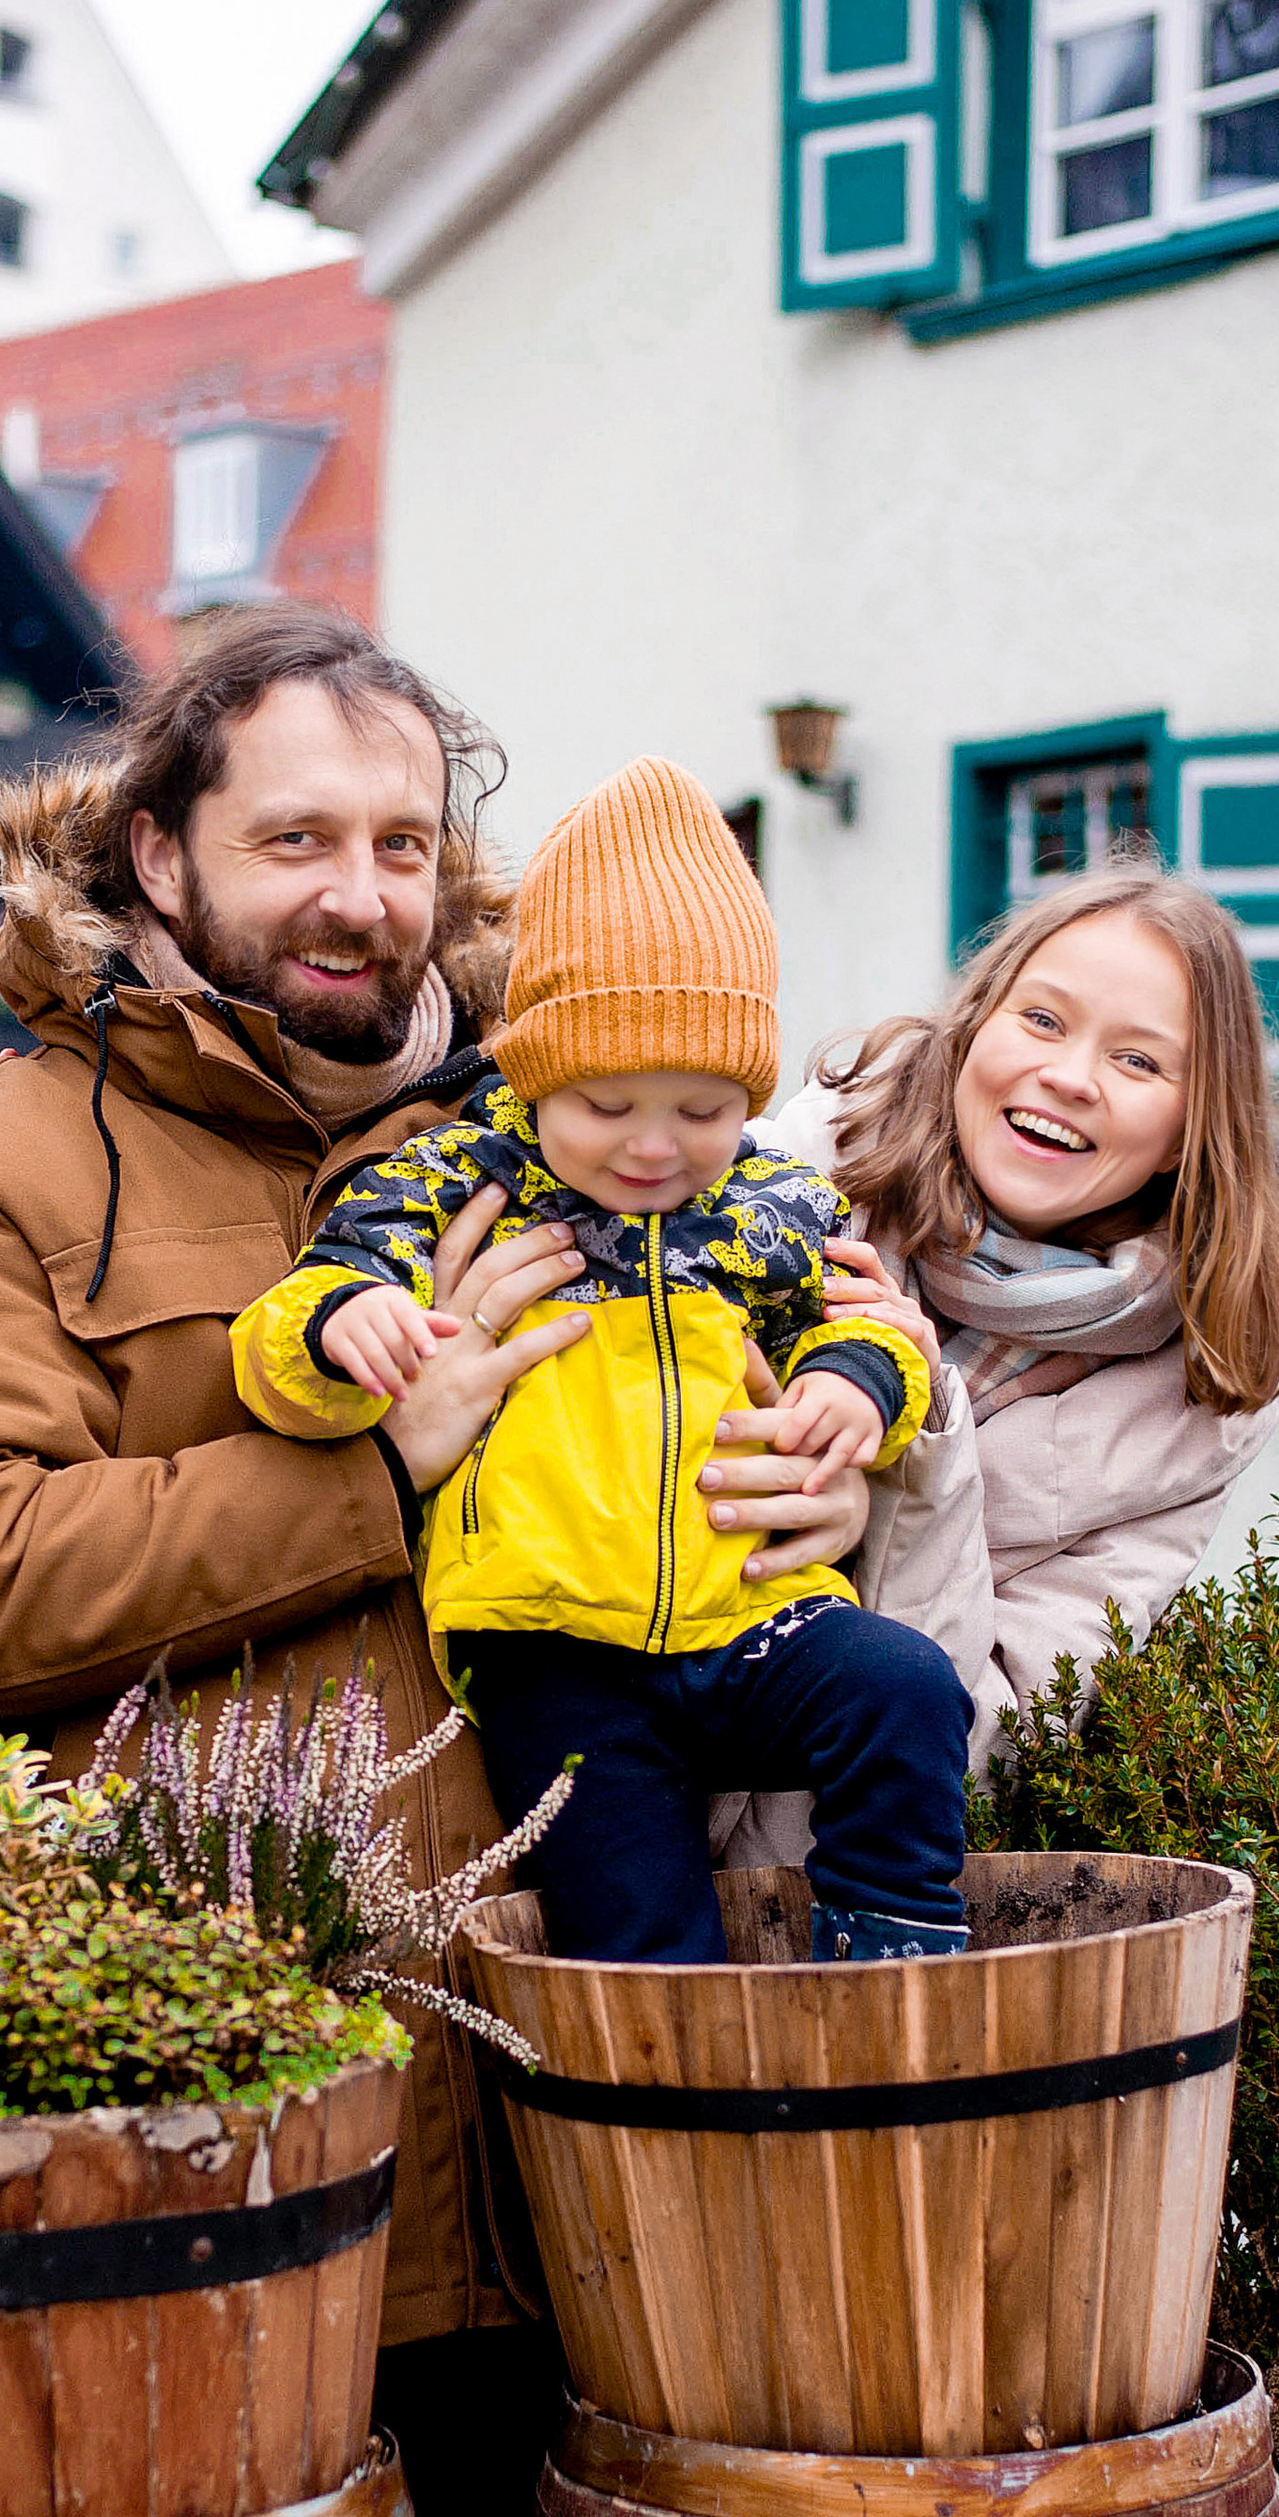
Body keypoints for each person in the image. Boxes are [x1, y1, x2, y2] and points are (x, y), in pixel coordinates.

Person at [0, 609, 870, 2517]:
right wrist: (364, 1475)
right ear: (156, 854)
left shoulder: (591, 1127)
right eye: (294, 836)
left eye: (399, 842)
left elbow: (833, 1320)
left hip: (575, 2141)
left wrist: (843, 1445)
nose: (358, 893)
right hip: (212, 2158)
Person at [230, 754, 971, 1966]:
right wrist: (337, 1324)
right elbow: (295, 1314)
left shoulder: (775, 1200)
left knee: (905, 1687)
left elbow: (867, 1320)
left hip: (750, 1617)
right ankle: (670, 2065)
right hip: (551, 1646)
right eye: (607, 1105)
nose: (652, 1148)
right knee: (634, 1925)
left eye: (701, 1109)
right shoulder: (456, 1179)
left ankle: (891, 1944)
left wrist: (855, 1382)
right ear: (534, 1070)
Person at [708, 861, 1279, 1873]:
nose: (1070, 1076)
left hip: (818, 1888)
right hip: (589, 1802)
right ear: (974, 1026)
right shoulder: (794, 1175)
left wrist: (916, 1454)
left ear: (1187, 1131)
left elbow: (988, 1738)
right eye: (1041, 1019)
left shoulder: (1200, 1400)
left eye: (1138, 1060)